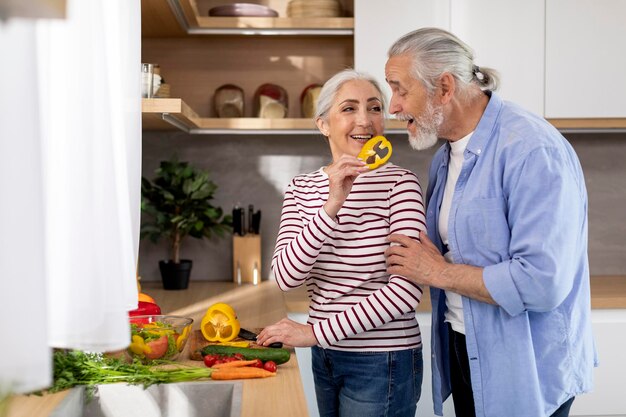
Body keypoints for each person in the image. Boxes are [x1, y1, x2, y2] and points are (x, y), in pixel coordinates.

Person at [382, 27, 597, 417]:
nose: (393, 107)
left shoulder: (531, 149)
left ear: (444, 88)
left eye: (400, 89)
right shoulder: (444, 157)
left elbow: (542, 282)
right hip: (465, 348)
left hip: (526, 366)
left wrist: (439, 272)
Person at [256, 69, 426, 417]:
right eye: (349, 109)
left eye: (375, 108)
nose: (364, 120)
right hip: (326, 356)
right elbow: (286, 278)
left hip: (384, 359)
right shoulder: (302, 188)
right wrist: (331, 206)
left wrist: (315, 333)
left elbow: (407, 291)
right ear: (324, 125)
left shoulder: (401, 184)